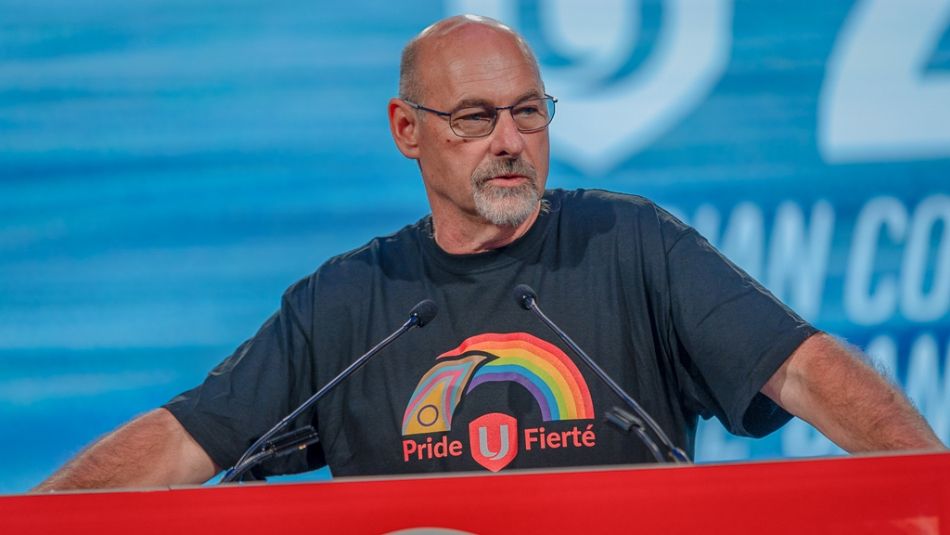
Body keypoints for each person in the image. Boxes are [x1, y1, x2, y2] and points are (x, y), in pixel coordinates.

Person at [34, 15, 943, 491]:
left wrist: (928, 490)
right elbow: (187, 440)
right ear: (407, 130)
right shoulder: (347, 300)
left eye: (530, 111)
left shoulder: (631, 242)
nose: (510, 139)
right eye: (475, 117)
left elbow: (805, 369)